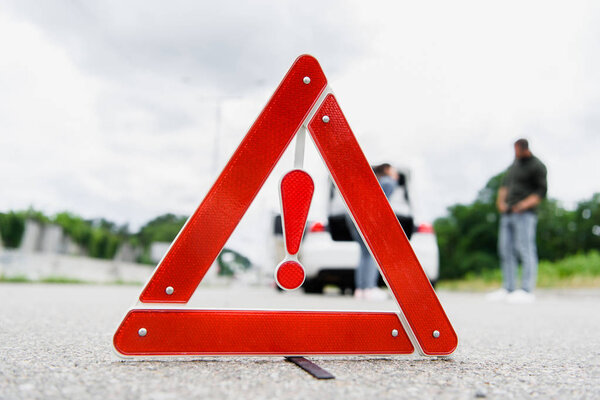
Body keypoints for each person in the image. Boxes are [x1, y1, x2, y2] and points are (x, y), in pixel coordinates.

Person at [487, 139, 547, 303]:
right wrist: (500, 202)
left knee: (525, 249)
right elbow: (504, 185)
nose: (515, 153)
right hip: (507, 214)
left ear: (523, 149)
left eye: (516, 150)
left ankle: (527, 290)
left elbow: (541, 191)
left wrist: (523, 205)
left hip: (525, 214)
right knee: (505, 250)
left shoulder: (537, 166)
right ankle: (508, 288)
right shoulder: (514, 165)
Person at [346, 163, 399, 301]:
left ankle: (361, 290)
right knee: (371, 254)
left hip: (353, 216)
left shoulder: (371, 180)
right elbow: (381, 204)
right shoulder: (388, 182)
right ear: (387, 170)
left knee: (364, 254)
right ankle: (369, 289)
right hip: (368, 218)